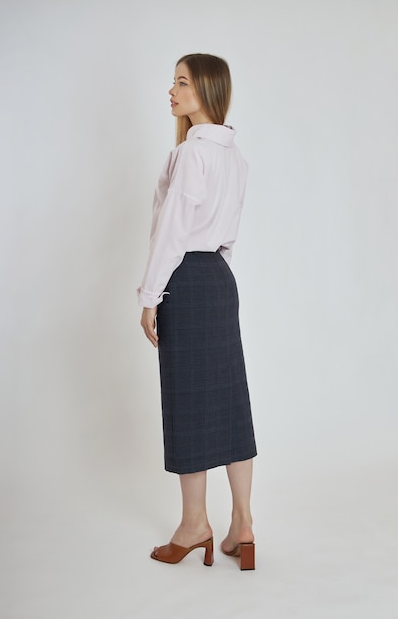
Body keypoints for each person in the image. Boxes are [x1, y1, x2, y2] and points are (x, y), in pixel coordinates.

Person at [138, 53, 257, 570]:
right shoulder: (236, 157)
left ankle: (194, 526)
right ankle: (244, 527)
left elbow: (171, 234)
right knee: (230, 401)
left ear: (206, 90)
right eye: (173, 83)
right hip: (218, 279)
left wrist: (149, 297)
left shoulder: (192, 154)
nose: (171, 91)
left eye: (181, 82)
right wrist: (212, 273)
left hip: (185, 280)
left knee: (188, 399)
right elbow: (226, 234)